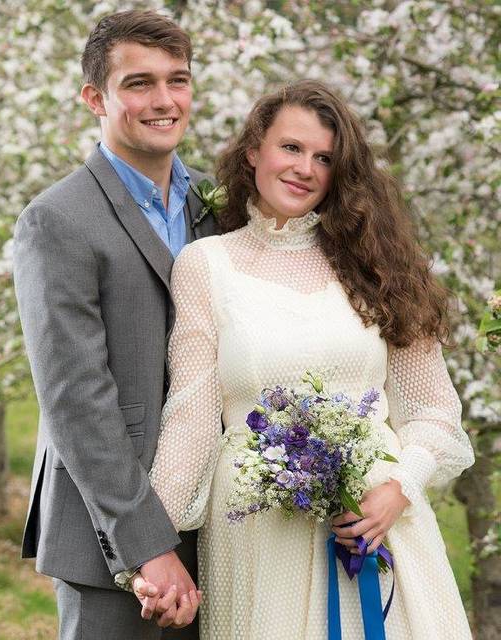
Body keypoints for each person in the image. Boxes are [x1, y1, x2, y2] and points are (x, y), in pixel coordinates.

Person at [132, 79, 475, 638]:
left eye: (324, 158)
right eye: (291, 148)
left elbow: (435, 411)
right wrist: (151, 548)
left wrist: (398, 490)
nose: (305, 169)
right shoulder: (205, 264)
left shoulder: (378, 266)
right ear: (253, 151)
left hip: (375, 522)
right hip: (260, 530)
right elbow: (191, 418)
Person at [13, 9, 219, 639]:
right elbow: (76, 398)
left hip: (218, 521)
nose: (164, 101)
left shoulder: (220, 205)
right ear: (94, 98)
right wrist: (145, 545)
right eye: (139, 83)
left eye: (177, 80)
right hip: (112, 534)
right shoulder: (57, 220)